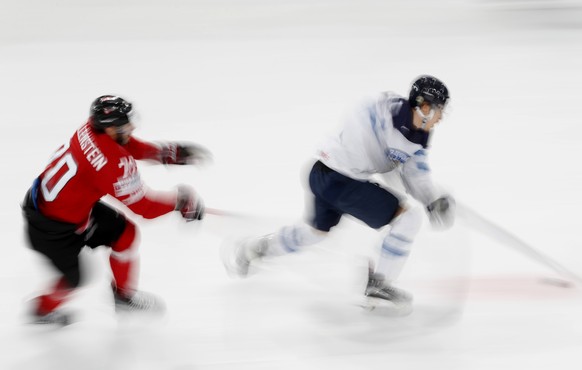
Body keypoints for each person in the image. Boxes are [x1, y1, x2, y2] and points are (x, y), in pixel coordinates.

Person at [221, 75, 455, 310]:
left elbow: (414, 172)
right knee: (408, 218)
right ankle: (379, 284)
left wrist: (431, 198)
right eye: (439, 110)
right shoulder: (382, 111)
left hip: (320, 172)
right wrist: (395, 168)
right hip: (341, 180)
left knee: (313, 233)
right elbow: (374, 146)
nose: (441, 117)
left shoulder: (417, 133)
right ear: (424, 107)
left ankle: (255, 249)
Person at [22, 95, 210, 325]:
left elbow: (125, 144)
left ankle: (123, 298)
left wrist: (166, 153)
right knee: (74, 279)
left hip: (64, 208)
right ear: (109, 128)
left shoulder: (91, 130)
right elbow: (145, 208)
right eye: (124, 124)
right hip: (52, 228)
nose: (130, 127)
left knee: (125, 234)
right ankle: (41, 311)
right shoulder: (112, 164)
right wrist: (180, 202)